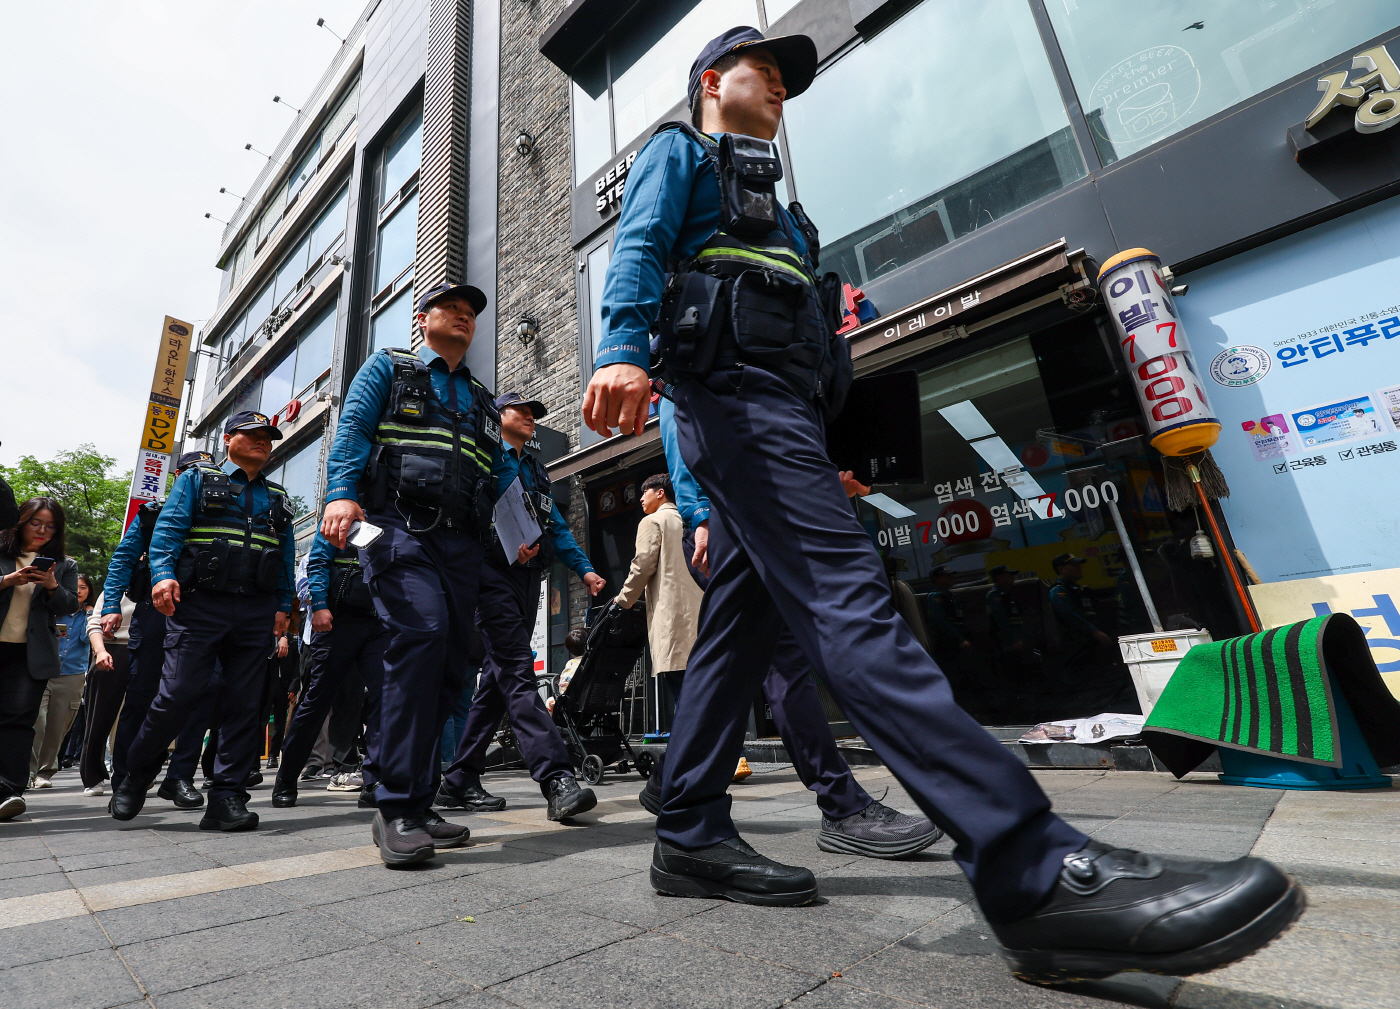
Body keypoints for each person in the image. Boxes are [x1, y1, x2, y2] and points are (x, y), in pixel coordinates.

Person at [580, 25, 1302, 984]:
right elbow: (637, 250)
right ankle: (1030, 867)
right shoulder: (681, 153)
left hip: (784, 422)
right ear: (713, 81)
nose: (784, 91)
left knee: (739, 634)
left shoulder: (790, 218)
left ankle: (689, 831)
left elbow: (820, 347)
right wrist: (622, 345)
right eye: (767, 74)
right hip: (734, 403)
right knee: (850, 602)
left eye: (792, 82)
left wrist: (833, 450)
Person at [645, 398, 941, 858]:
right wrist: (700, 517)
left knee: (749, 663)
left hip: (761, 515)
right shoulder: (702, 364)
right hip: (733, 521)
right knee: (777, 664)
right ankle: (842, 805)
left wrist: (822, 484)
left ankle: (671, 779)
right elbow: (684, 431)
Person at [320, 281, 497, 865]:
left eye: (471, 313)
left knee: (451, 668)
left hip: (462, 543)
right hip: (393, 527)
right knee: (418, 635)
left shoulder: (479, 396)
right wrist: (342, 494)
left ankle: (420, 803)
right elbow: (352, 433)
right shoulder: (388, 369)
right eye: (453, 309)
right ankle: (394, 806)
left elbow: (491, 474)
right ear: (423, 319)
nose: (464, 318)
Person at [108, 413, 296, 832]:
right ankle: (136, 775)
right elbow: (168, 533)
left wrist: (284, 606)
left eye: (268, 438)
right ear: (228, 439)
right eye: (253, 436)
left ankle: (226, 798)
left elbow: (285, 557)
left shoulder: (280, 497)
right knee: (176, 695)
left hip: (255, 610)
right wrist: (163, 574)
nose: (263, 443)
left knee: (245, 704)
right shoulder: (196, 481)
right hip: (200, 606)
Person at [435, 391, 606, 819]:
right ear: (499, 416)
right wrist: (500, 543)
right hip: (491, 577)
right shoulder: (484, 454)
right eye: (522, 411)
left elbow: (556, 525)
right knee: (515, 670)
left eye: (535, 414)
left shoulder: (535, 468)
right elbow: (467, 513)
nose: (531, 418)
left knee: (495, 684)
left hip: (529, 579)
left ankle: (457, 780)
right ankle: (556, 777)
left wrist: (584, 569)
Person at [98, 450, 215, 805]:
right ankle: (126, 777)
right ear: (178, 474)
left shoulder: (222, 509)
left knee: (201, 695)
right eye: (194, 471)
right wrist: (113, 604)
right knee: (142, 695)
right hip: (155, 611)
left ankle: (179, 777)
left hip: (203, 613)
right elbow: (125, 556)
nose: (202, 478)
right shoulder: (151, 513)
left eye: (208, 472)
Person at [271, 532, 387, 814]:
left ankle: (373, 781)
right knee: (316, 702)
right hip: (335, 620)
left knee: (386, 698)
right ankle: (286, 779)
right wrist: (319, 603)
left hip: (377, 621)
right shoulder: (341, 511)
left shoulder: (392, 515)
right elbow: (318, 560)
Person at [0, 498, 80, 820]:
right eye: (36, 523)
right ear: (20, 520)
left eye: (50, 526)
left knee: (19, 721)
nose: (42, 531)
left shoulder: (64, 564)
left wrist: (51, 586)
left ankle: (9, 790)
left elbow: (71, 605)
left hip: (29, 655)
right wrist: (8, 580)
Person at [615, 473, 703, 715]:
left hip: (673, 618)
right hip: (702, 616)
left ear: (660, 493)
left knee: (684, 700)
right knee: (706, 694)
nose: (641, 498)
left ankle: (691, 751)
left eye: (645, 492)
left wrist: (623, 599)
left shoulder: (653, 522)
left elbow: (642, 565)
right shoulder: (691, 520)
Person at [29, 572, 96, 787]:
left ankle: (44, 773)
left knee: (58, 726)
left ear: (89, 592)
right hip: (44, 672)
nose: (79, 591)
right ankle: (27, 771)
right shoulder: (53, 609)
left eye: (83, 587)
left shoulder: (89, 615)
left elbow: (90, 638)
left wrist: (90, 613)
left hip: (72, 675)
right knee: (36, 722)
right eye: (75, 587)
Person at [79, 588, 131, 795]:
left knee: (139, 719)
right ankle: (92, 776)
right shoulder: (116, 586)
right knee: (98, 720)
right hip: (112, 648)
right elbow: (93, 623)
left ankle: (132, 772)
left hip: (149, 651)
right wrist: (100, 651)